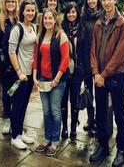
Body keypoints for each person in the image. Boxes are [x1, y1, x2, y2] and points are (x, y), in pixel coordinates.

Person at [89, 0, 124, 167]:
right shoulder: (99, 23)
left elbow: (119, 55)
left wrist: (103, 74)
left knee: (119, 114)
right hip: (99, 77)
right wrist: (96, 72)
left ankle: (122, 150)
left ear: (115, 0)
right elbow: (93, 50)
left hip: (116, 76)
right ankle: (103, 145)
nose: (106, 2)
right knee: (100, 113)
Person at [33, 8, 69, 157]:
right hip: (43, 79)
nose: (47, 21)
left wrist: (56, 79)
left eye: (50, 18)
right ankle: (47, 139)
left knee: (55, 111)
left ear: (55, 20)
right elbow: (36, 58)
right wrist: (35, 77)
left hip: (57, 81)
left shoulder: (61, 36)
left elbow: (65, 60)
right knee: (46, 111)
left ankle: (55, 141)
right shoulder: (39, 37)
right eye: (45, 18)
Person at [8, 0, 38, 149]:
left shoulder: (33, 27)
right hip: (20, 75)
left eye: (33, 10)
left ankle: (19, 132)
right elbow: (11, 52)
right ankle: (14, 137)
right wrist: (19, 72)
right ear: (22, 11)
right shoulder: (17, 29)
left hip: (29, 74)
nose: (30, 13)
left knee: (24, 105)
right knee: (17, 105)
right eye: (28, 10)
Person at [0, 0, 19, 134]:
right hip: (4, 63)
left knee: (16, 92)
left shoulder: (18, 20)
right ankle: (7, 117)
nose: (10, 4)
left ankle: (15, 119)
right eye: (8, 1)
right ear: (4, 3)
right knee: (7, 93)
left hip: (17, 62)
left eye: (13, 2)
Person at [80, 0, 104, 136]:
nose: (91, 1)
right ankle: (90, 119)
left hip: (100, 61)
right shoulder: (84, 17)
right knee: (89, 92)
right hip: (87, 59)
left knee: (100, 93)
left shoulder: (103, 16)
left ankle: (100, 121)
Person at [61, 2, 85, 141]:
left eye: (74, 12)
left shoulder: (81, 30)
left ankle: (74, 128)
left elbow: (84, 50)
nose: (71, 14)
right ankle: (64, 127)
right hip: (64, 70)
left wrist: (83, 68)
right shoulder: (62, 28)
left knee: (74, 101)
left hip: (77, 71)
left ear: (77, 13)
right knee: (63, 100)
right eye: (69, 12)